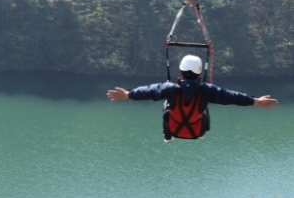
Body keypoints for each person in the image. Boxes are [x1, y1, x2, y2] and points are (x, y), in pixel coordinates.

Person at [106, 55, 279, 142]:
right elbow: (232, 97)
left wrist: (128, 94)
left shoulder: (170, 89)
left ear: (181, 72)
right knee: (204, 108)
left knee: (167, 106)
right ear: (199, 73)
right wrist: (256, 101)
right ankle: (203, 134)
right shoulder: (207, 91)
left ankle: (167, 137)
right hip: (197, 130)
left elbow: (149, 91)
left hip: (174, 128)